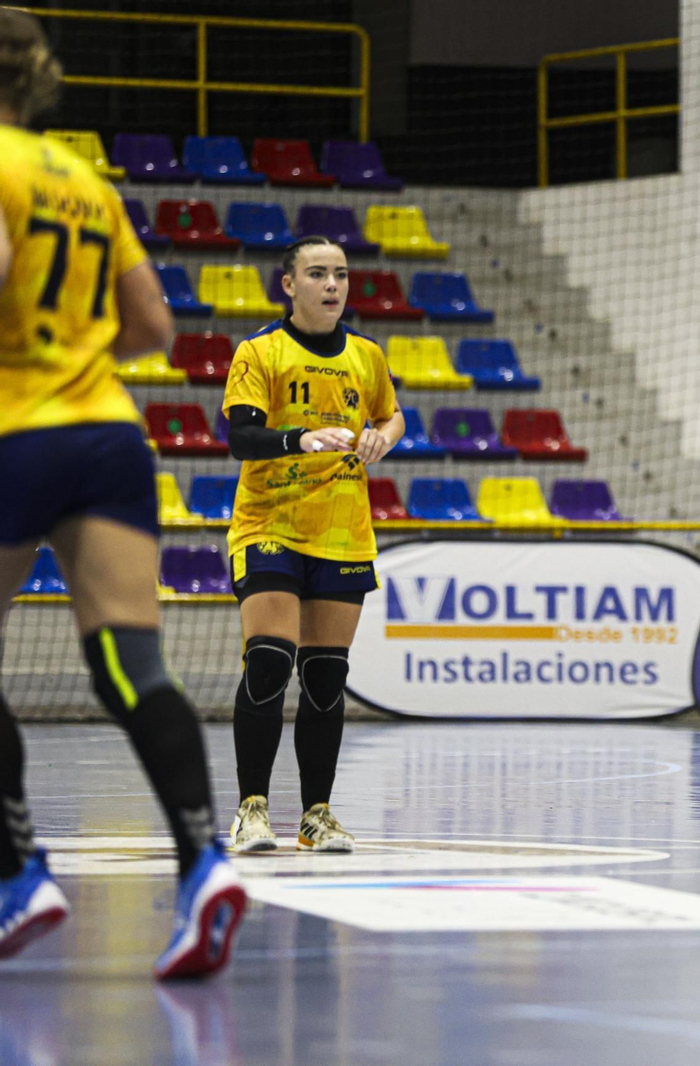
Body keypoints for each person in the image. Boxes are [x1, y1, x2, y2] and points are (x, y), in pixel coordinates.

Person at [0, 9, 245, 978]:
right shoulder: (81, 180)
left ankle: (20, 869)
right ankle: (203, 861)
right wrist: (76, 353)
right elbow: (152, 323)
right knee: (129, 660)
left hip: (15, 428)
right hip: (107, 434)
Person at [223, 235, 403, 854]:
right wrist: (297, 439)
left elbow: (391, 414)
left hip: (343, 529)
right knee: (270, 660)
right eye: (318, 273)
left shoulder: (367, 355)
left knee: (326, 678)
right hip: (269, 522)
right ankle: (252, 809)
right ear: (289, 284)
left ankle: (316, 816)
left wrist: (385, 436)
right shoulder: (259, 352)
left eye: (342, 274)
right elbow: (241, 437)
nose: (333, 285)